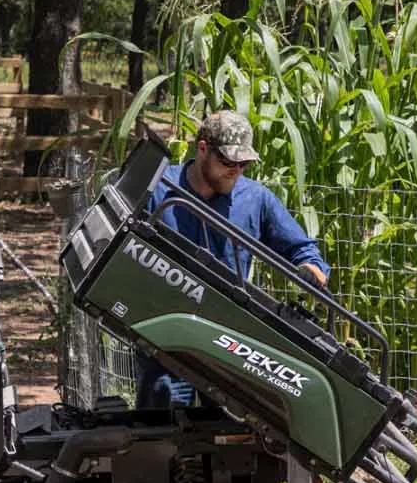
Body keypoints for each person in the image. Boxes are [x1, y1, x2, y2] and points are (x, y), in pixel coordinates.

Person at [135, 110, 331, 407]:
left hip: (227, 343)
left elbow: (304, 251)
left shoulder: (256, 199)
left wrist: (310, 271)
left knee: (230, 435)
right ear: (202, 148)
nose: (236, 170)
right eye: (228, 161)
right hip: (167, 339)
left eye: (244, 163)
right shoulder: (160, 188)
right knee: (162, 430)